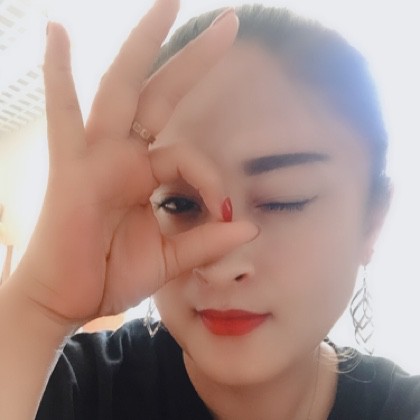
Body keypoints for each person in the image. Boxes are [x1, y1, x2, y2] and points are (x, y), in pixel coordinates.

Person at [0, 0, 419, 418]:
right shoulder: (64, 387)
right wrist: (39, 307)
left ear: (371, 221)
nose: (221, 267)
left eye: (282, 201)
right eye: (179, 204)